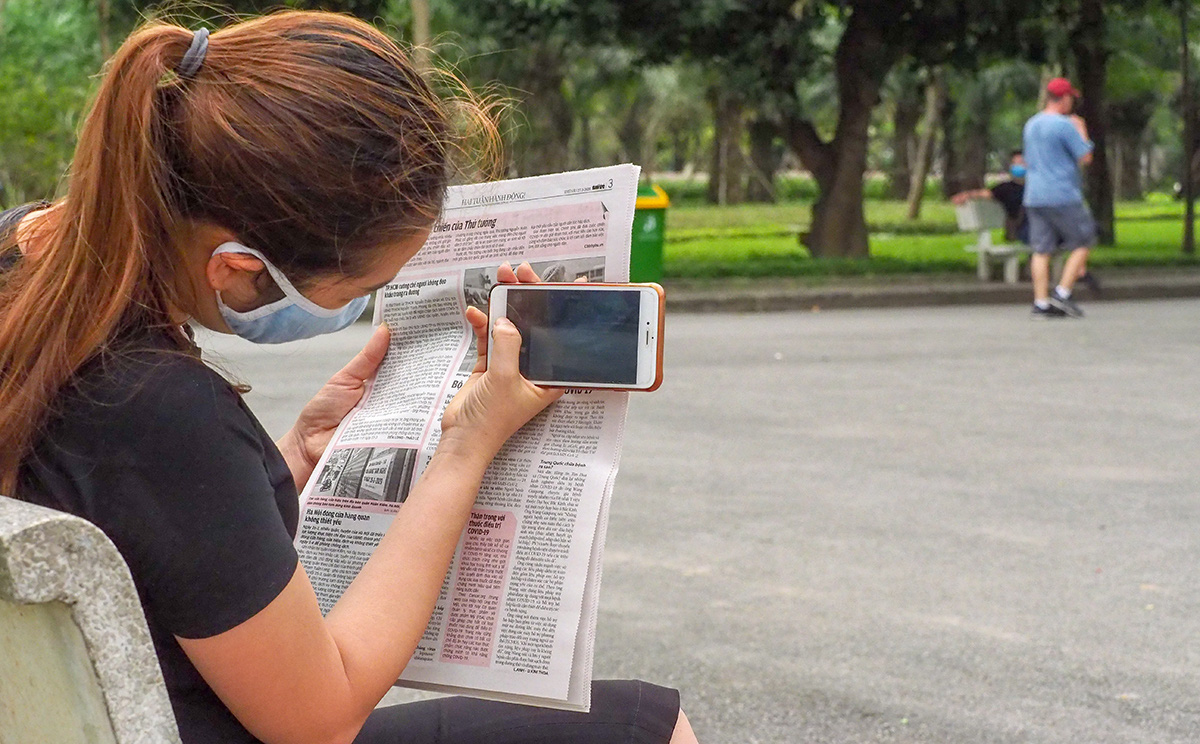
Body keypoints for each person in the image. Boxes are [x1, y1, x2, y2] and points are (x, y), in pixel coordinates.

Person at [0, 12, 698, 744]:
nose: (363, 309)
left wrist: (292, 457)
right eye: (362, 289)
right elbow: (322, 722)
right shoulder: (160, 406)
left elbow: (137, 504)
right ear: (239, 269)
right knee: (644, 725)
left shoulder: (23, 258)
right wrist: (467, 445)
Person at [1022, 77, 1096, 319]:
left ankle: (1040, 303)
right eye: (1071, 98)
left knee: (1041, 250)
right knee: (1083, 241)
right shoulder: (1065, 125)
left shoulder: (1031, 124)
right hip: (1062, 194)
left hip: (1034, 194)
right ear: (1064, 99)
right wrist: (1082, 129)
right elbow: (1085, 157)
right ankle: (1062, 294)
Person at [952, 150, 1029, 244]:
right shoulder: (1006, 188)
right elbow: (984, 193)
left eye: (1021, 163)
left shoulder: (1037, 187)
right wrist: (966, 195)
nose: (1019, 166)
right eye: (1015, 163)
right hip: (1023, 228)